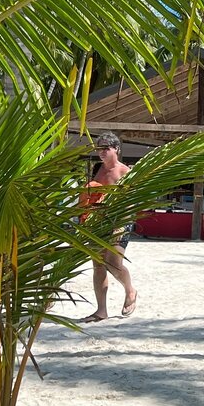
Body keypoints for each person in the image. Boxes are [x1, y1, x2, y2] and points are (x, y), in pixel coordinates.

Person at [79, 131, 137, 323]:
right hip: (97, 220)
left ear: (116, 149)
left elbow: (132, 201)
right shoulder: (96, 169)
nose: (101, 152)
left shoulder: (125, 172)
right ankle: (101, 310)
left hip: (120, 220)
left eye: (106, 148)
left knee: (113, 262)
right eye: (99, 148)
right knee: (98, 265)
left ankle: (130, 290)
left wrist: (120, 223)